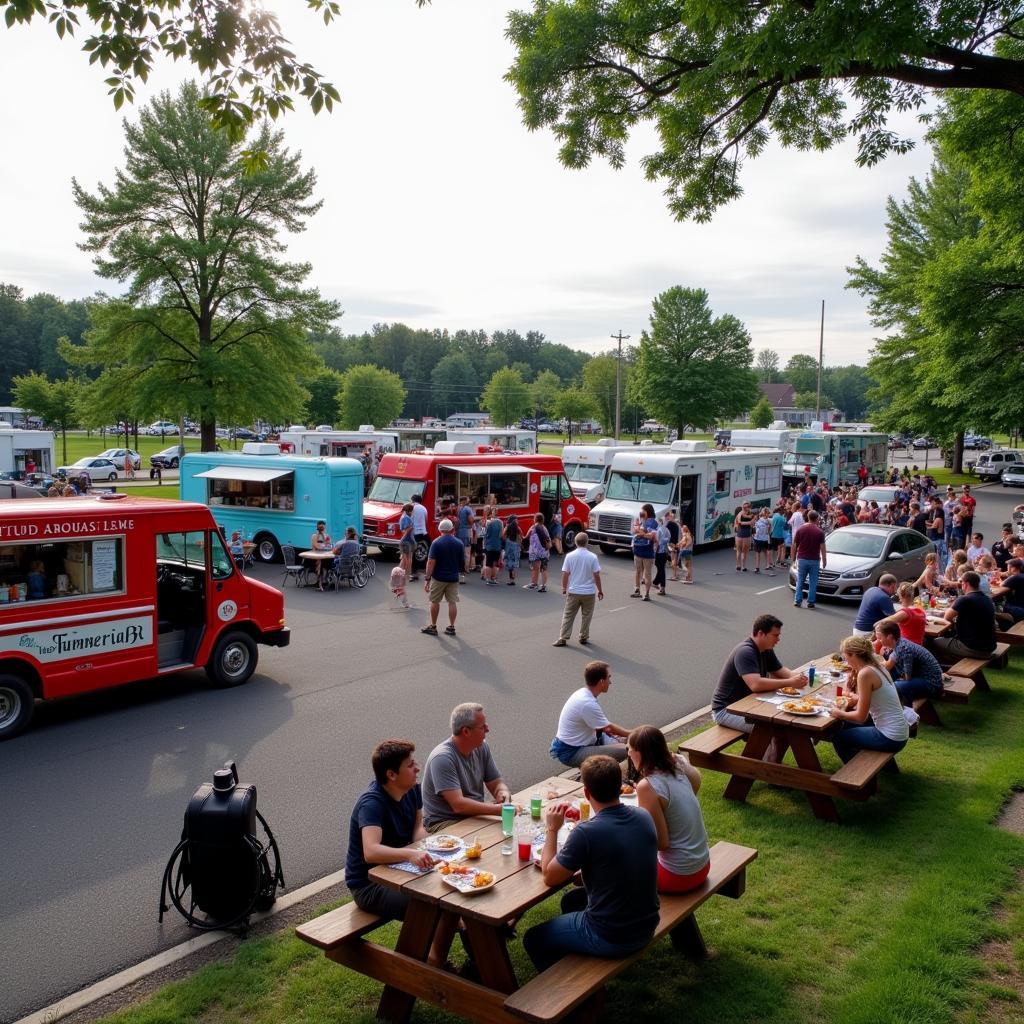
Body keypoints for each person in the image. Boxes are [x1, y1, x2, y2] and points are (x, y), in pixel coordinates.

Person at [523, 755, 660, 972]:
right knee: (571, 901)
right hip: (647, 925)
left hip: (613, 935)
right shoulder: (643, 816)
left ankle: (564, 994)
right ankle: (575, 957)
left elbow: (550, 876)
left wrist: (552, 829)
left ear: (586, 793)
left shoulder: (586, 832)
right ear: (620, 786)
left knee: (533, 938)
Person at [345, 740, 434, 920]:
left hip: (399, 870)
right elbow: (371, 851)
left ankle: (493, 932)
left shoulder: (412, 788)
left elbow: (418, 825)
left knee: (453, 888)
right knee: (433, 905)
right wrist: (410, 854)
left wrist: (427, 846)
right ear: (392, 774)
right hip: (370, 885)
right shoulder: (372, 803)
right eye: (410, 765)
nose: (417, 768)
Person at [628, 725, 710, 894]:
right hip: (702, 866)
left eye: (629, 749)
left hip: (676, 875)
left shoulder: (648, 786)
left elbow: (661, 843)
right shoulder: (678, 767)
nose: (628, 753)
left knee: (618, 861)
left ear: (640, 753)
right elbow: (694, 786)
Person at [711, 614, 809, 753]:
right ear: (761, 633)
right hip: (726, 710)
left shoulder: (765, 649)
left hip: (750, 706)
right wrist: (791, 682)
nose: (778, 639)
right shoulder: (745, 651)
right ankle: (767, 768)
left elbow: (782, 672)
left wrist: (804, 676)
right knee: (778, 729)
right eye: (775, 635)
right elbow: (755, 684)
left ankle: (771, 765)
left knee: (787, 724)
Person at [421, 703, 513, 831]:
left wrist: (503, 793)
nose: (488, 729)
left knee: (514, 830)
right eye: (482, 726)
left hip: (472, 815)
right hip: (446, 821)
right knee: (490, 838)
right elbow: (458, 805)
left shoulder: (481, 747)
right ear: (466, 731)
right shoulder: (442, 758)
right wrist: (499, 810)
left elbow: (496, 782)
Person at [828, 635, 909, 763]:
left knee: (839, 737)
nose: (845, 661)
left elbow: (861, 717)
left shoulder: (865, 674)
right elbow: (863, 700)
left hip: (890, 737)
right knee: (844, 726)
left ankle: (852, 776)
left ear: (853, 655)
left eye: (846, 657)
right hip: (900, 732)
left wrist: (839, 713)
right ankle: (886, 768)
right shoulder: (878, 667)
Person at [550, 661, 630, 766]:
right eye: (608, 678)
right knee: (630, 751)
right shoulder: (587, 703)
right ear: (601, 681)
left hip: (581, 742)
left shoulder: (583, 693)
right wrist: (633, 734)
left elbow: (601, 727)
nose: (610, 682)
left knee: (624, 741)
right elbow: (608, 728)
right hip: (572, 752)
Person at [875, 621, 944, 706]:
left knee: (897, 686)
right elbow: (888, 666)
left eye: (879, 638)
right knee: (891, 679)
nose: (878, 641)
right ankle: (897, 706)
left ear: (889, 636)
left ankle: (908, 712)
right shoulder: (899, 643)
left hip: (932, 683)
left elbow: (907, 676)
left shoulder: (903, 649)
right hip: (923, 677)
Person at [932, 570, 997, 659]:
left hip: (973, 648)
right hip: (990, 646)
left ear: (965, 584)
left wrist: (953, 622)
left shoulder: (965, 599)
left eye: (961, 582)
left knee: (934, 641)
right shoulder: (987, 598)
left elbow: (947, 616)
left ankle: (947, 667)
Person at [553, 533, 604, 647]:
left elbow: (565, 574)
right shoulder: (592, 557)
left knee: (568, 615)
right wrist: (600, 590)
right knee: (587, 616)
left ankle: (563, 637)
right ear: (587, 542)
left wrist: (564, 588)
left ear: (575, 542)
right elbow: (596, 575)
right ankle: (583, 637)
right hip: (589, 592)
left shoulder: (570, 556)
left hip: (574, 591)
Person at [421, 518, 465, 637]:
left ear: (440, 529)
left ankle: (433, 626)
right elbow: (462, 562)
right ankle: (451, 627)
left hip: (438, 577)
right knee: (452, 602)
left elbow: (431, 562)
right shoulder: (459, 543)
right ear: (452, 529)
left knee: (434, 601)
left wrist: (427, 579)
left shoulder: (436, 542)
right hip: (453, 578)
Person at [793, 508, 827, 609]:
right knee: (813, 582)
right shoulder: (820, 532)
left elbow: (794, 545)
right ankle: (811, 602)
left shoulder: (800, 529)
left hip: (802, 559)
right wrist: (824, 560)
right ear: (816, 519)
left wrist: (793, 558)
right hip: (814, 560)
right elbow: (823, 548)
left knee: (800, 581)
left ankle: (797, 600)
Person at [630, 503, 657, 600]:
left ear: (648, 511)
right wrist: (637, 529)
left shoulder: (653, 522)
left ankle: (646, 594)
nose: (641, 512)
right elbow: (633, 532)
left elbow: (652, 536)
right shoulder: (641, 521)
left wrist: (641, 533)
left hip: (647, 551)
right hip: (638, 550)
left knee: (647, 573)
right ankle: (637, 590)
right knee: (638, 571)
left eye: (643, 511)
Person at [525, 512, 552, 592]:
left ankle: (534, 584)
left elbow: (526, 536)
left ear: (535, 519)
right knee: (544, 568)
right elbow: (548, 539)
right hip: (544, 551)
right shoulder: (544, 528)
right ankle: (543, 586)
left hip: (534, 552)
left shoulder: (533, 527)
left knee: (535, 568)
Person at [481, 508, 504, 586]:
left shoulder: (488, 522)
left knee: (488, 563)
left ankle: (488, 579)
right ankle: (493, 578)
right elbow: (501, 535)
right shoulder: (500, 522)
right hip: (497, 545)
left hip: (489, 545)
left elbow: (484, 534)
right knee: (495, 563)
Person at [410, 493, 429, 581]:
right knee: (422, 552)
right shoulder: (424, 508)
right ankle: (422, 571)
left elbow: (409, 521)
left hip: (413, 533)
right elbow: (426, 520)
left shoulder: (410, 507)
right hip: (423, 533)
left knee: (412, 554)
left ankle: (413, 573)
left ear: (413, 500)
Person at [456, 497, 475, 581]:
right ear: (465, 501)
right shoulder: (468, 509)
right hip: (466, 530)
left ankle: (458, 567)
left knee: (459, 550)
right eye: (468, 499)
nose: (469, 501)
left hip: (459, 531)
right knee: (467, 551)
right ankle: (465, 569)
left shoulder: (458, 508)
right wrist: (471, 524)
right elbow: (471, 520)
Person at [310, 519, 333, 589]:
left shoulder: (327, 536)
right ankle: (319, 582)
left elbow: (330, 545)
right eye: (320, 528)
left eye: (323, 527)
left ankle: (325, 580)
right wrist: (324, 544)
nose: (322, 529)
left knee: (330, 562)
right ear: (317, 528)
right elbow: (316, 546)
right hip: (316, 556)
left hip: (324, 556)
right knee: (320, 563)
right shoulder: (314, 536)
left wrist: (325, 544)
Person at [734, 501, 755, 572]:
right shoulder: (752, 515)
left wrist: (742, 523)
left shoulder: (740, 514)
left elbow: (738, 523)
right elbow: (752, 524)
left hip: (739, 534)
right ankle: (743, 566)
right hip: (747, 534)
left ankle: (738, 565)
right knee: (744, 552)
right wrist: (748, 523)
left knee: (738, 551)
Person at [398, 502, 416, 579]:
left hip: (406, 540)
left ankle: (399, 573)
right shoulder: (406, 518)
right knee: (408, 559)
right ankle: (407, 574)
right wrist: (402, 539)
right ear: (409, 511)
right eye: (412, 511)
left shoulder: (404, 516)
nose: (413, 512)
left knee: (404, 558)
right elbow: (408, 529)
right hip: (407, 540)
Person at [653, 516, 670, 595]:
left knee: (661, 570)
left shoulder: (659, 530)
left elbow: (657, 542)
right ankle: (655, 582)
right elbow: (668, 539)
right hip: (665, 552)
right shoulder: (666, 530)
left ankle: (662, 587)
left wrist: (654, 551)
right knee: (661, 568)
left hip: (659, 552)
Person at [753, 507, 772, 574]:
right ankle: (768, 565)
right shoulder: (769, 521)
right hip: (765, 539)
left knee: (758, 553)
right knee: (766, 552)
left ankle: (757, 567)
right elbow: (769, 531)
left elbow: (755, 531)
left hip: (758, 539)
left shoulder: (758, 521)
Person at [503, 515, 522, 585]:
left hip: (509, 545)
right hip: (515, 546)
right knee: (514, 562)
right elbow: (521, 536)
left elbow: (503, 535)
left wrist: (507, 540)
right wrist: (519, 544)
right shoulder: (518, 528)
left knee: (509, 561)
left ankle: (511, 580)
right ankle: (513, 579)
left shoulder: (507, 527)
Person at [664, 509, 681, 581]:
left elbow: (665, 533)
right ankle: (676, 574)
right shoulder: (676, 524)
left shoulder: (669, 524)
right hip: (676, 543)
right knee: (675, 559)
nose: (666, 518)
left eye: (667, 517)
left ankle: (674, 575)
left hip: (671, 544)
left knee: (673, 560)